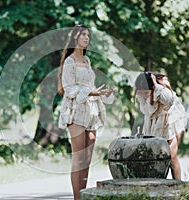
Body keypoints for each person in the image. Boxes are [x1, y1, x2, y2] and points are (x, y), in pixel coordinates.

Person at [58, 24, 115, 200]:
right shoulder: (70, 61)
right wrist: (91, 92)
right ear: (75, 37)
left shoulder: (87, 61)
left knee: (87, 159)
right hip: (75, 110)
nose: (86, 38)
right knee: (78, 159)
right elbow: (69, 89)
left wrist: (102, 93)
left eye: (88, 35)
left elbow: (89, 87)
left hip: (91, 110)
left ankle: (83, 196)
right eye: (83, 35)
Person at [134, 72, 187, 180]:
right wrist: (148, 97)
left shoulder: (162, 91)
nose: (143, 95)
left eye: (146, 92)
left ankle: (178, 185)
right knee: (156, 155)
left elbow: (169, 101)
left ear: (153, 87)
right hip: (155, 122)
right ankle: (160, 184)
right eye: (141, 92)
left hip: (172, 120)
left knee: (172, 156)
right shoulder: (140, 94)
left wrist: (156, 86)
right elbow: (146, 110)